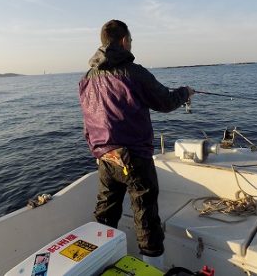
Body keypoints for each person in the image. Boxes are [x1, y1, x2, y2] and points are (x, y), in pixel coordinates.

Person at [79, 19, 194, 269]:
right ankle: (152, 269)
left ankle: (97, 266)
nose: (131, 45)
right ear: (123, 41)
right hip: (134, 160)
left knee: (104, 216)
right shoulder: (134, 72)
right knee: (146, 218)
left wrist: (99, 152)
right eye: (130, 40)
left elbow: (87, 121)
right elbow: (164, 101)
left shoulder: (87, 78)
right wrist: (185, 92)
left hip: (105, 159)